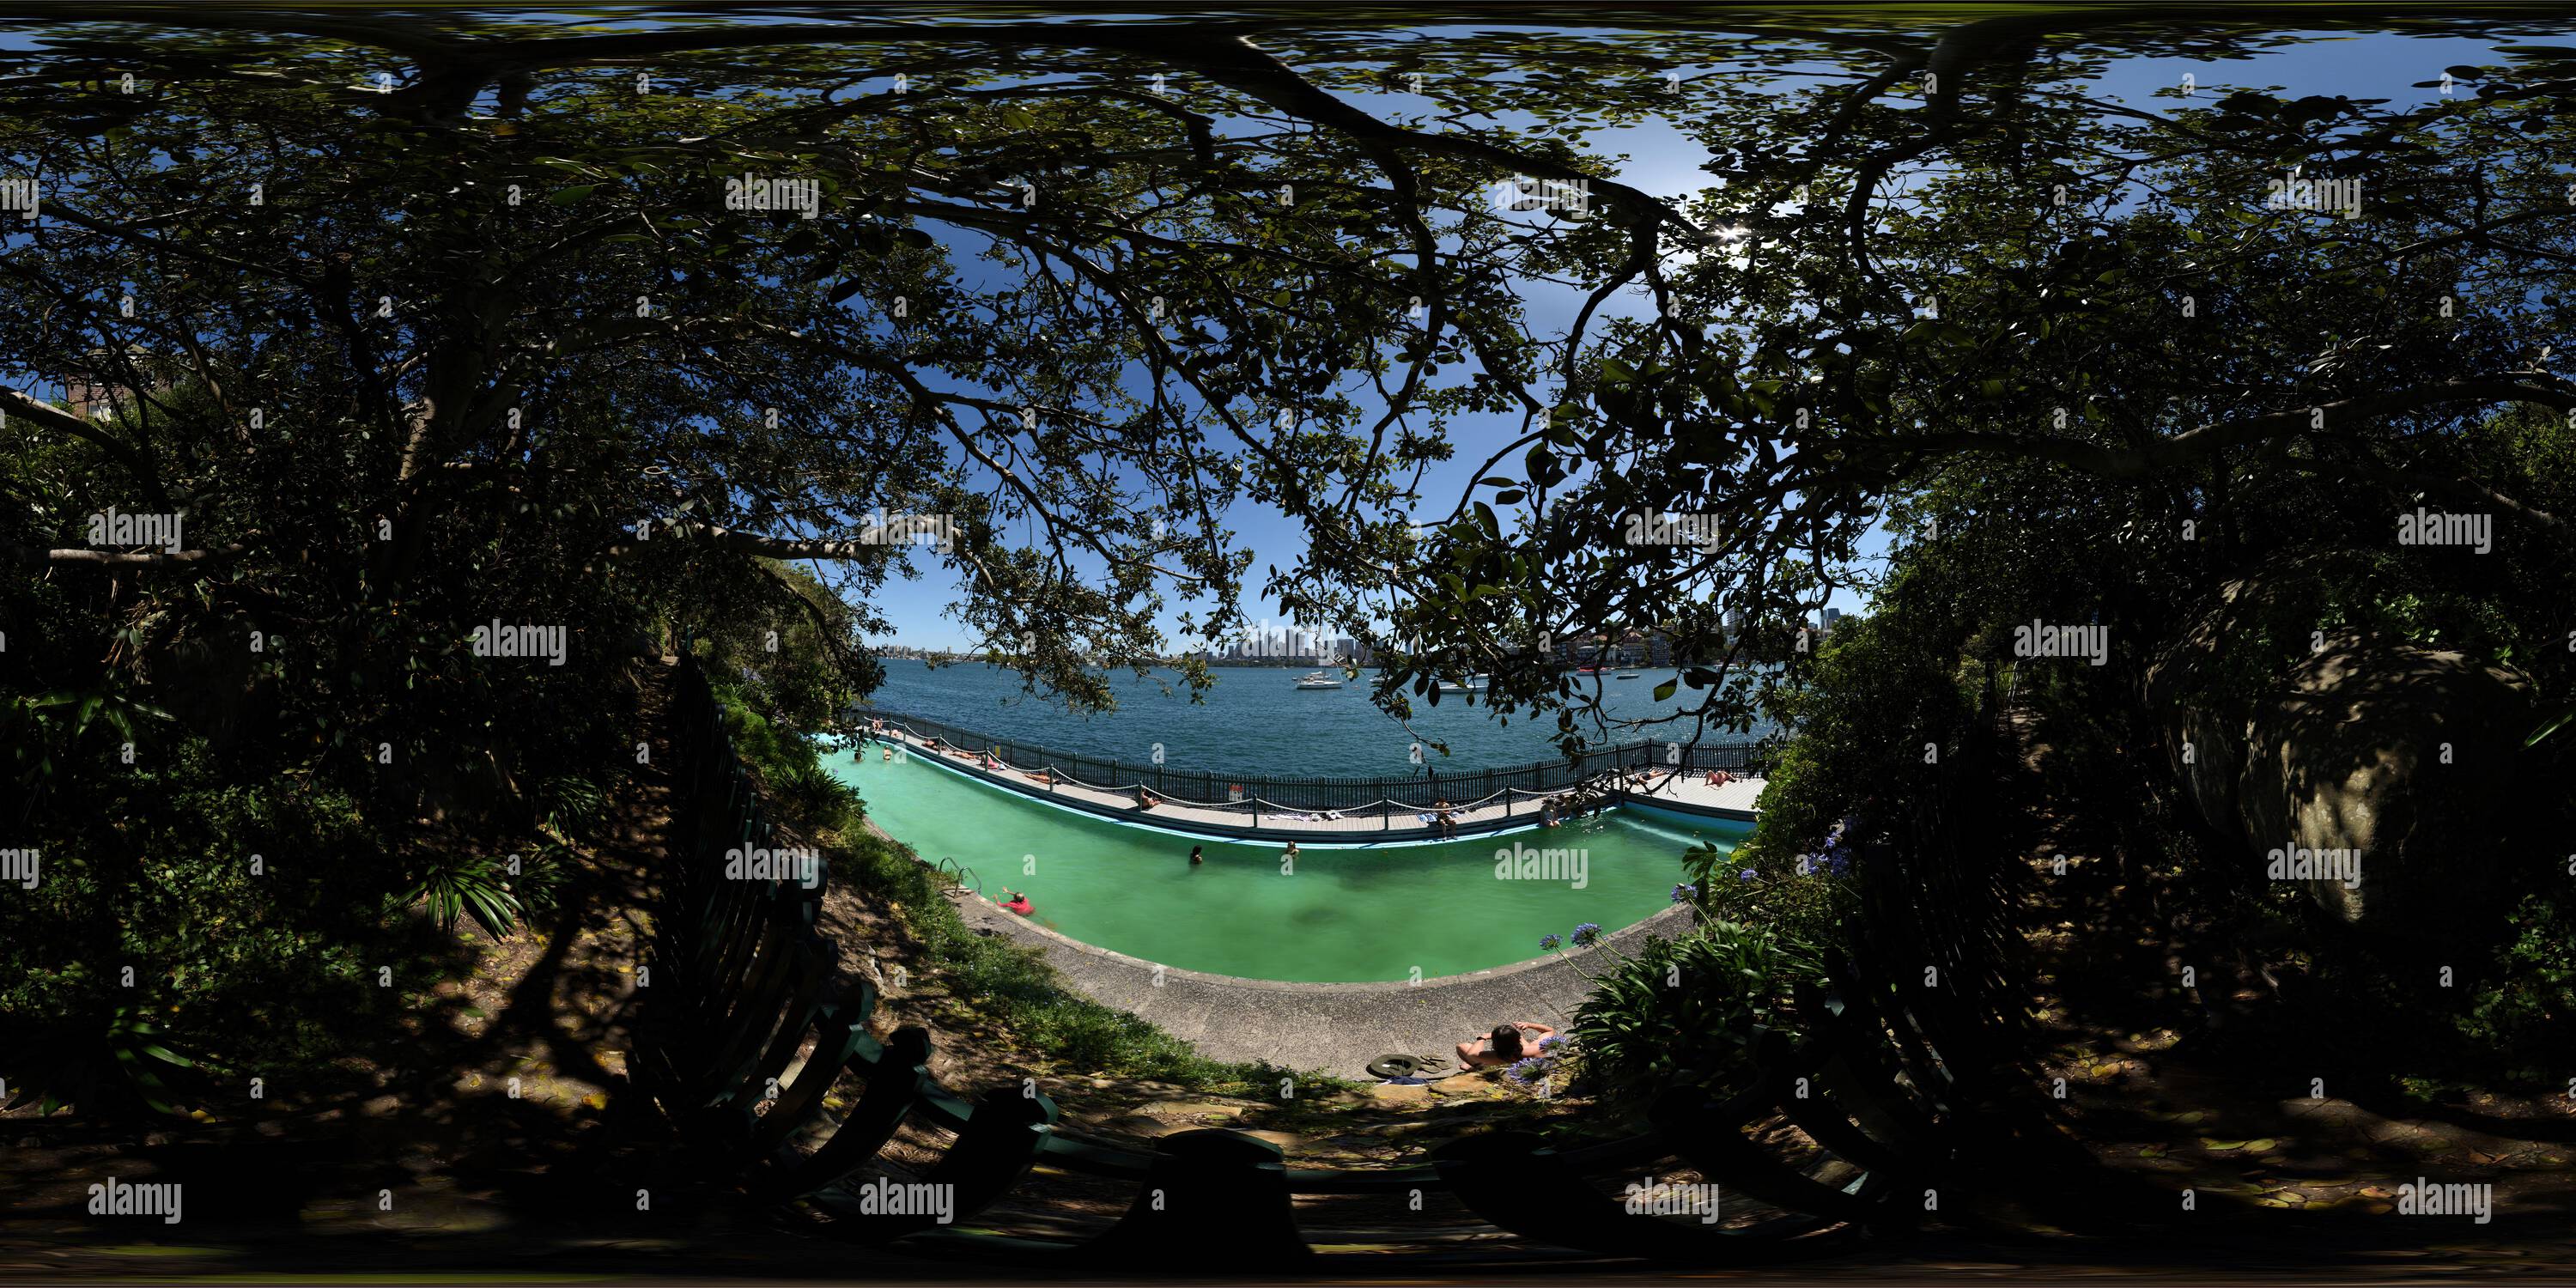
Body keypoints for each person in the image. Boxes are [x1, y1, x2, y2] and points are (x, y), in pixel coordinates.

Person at [1456, 1020, 1556, 1070]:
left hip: (1499, 1064)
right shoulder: (1536, 1047)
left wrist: (1482, 1037)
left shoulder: (1493, 1056)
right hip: (1527, 1063)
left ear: (1495, 1043)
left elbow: (1471, 1054)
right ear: (1517, 1038)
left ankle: (1474, 1068)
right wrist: (1528, 1024)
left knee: (1462, 1047)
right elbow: (1550, 1030)